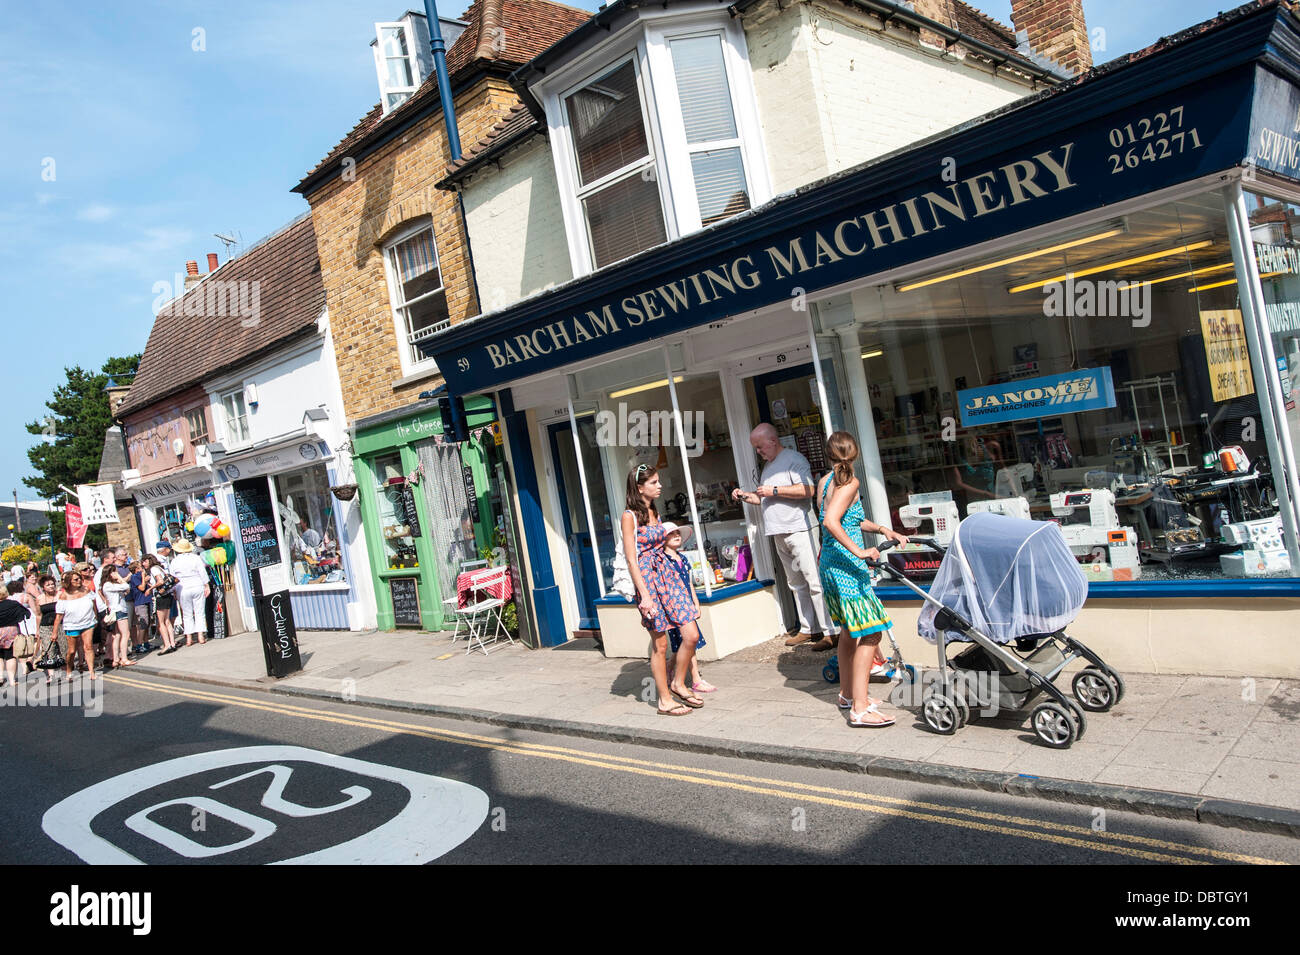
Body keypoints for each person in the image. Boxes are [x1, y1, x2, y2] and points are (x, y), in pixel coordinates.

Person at [817, 431, 909, 727]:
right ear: (855, 453)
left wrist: (883, 530)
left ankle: (847, 695)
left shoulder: (826, 482)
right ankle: (859, 708)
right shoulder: (850, 482)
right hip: (846, 568)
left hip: (831, 564)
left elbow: (849, 517)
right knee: (871, 633)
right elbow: (832, 522)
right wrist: (860, 551)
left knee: (848, 631)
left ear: (829, 454)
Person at [732, 422, 838, 650]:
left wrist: (775, 491)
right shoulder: (769, 467)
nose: (758, 452)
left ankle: (832, 631)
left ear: (772, 440)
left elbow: (808, 490)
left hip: (799, 528)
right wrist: (745, 496)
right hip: (779, 531)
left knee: (815, 581)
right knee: (796, 583)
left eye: (760, 446)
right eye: (756, 448)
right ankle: (808, 628)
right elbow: (765, 499)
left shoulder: (794, 460)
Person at [621, 464, 704, 717]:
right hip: (647, 581)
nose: (660, 486)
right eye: (654, 482)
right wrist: (644, 594)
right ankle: (665, 700)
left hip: (667, 575)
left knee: (690, 634)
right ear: (639, 487)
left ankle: (678, 682)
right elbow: (631, 559)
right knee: (659, 645)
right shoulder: (629, 516)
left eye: (658, 481)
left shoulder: (653, 509)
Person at [662, 523, 717, 694]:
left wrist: (696, 602)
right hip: (675, 607)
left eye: (678, 533)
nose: (677, 535)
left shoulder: (683, 559)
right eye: (672, 534)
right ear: (663, 539)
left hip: (687, 605)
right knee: (688, 642)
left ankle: (668, 668)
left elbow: (690, 584)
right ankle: (695, 679)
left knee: (685, 643)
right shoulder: (663, 560)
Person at [56, 570, 99, 680]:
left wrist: (96, 616)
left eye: (79, 578)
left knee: (88, 647)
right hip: (72, 625)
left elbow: (94, 603)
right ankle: (69, 670)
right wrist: (54, 632)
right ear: (69, 581)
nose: (79, 580)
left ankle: (91, 672)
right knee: (71, 651)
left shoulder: (86, 590)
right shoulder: (64, 596)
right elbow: (59, 616)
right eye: (76, 579)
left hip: (88, 622)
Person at [170, 539, 210, 646]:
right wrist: (206, 585)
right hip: (197, 584)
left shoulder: (174, 561)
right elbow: (202, 572)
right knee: (199, 611)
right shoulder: (196, 558)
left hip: (182, 587)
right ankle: (200, 635)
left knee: (187, 613)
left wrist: (173, 590)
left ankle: (189, 637)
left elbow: (172, 577)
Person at [99, 564, 133, 668]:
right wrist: (119, 578)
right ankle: (124, 658)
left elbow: (125, 591)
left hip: (116, 610)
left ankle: (116, 659)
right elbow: (127, 586)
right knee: (125, 634)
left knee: (117, 635)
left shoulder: (109, 585)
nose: (117, 574)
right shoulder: (108, 584)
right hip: (119, 610)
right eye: (115, 572)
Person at [143, 554, 177, 654]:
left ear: (149, 561)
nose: (143, 564)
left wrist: (150, 588)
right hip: (168, 595)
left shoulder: (153, 569)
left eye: (144, 561)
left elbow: (160, 581)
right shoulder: (159, 567)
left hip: (161, 596)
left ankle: (167, 644)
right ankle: (172, 643)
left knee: (161, 622)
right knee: (167, 621)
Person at [36, 574, 61, 685]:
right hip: (45, 626)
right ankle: (51, 675)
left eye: (52, 584)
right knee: (49, 649)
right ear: (43, 587)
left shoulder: (60, 595)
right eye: (48, 585)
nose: (51, 586)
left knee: (62, 649)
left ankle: (62, 671)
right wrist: (37, 630)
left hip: (61, 625)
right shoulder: (40, 598)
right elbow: (38, 615)